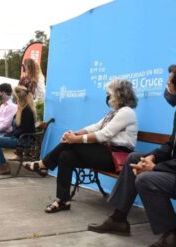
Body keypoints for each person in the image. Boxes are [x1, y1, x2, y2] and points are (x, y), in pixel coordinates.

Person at [88, 62, 176, 247]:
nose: (166, 88)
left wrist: (155, 168)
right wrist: (153, 158)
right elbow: (172, 145)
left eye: (169, 84)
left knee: (147, 179)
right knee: (134, 159)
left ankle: (175, 234)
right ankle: (119, 218)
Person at [24, 79, 138, 213]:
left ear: (119, 94)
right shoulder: (114, 113)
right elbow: (95, 127)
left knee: (73, 145)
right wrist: (75, 133)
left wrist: (75, 139)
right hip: (105, 153)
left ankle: (44, 164)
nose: (107, 96)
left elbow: (104, 134)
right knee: (66, 156)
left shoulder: (127, 112)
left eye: (109, 93)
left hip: (115, 158)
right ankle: (62, 200)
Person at [0, 86, 36, 175]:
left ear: (17, 97)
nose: (12, 98)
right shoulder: (22, 109)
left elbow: (24, 129)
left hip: (23, 140)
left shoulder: (27, 111)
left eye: (13, 96)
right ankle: (2, 165)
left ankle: (3, 167)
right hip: (18, 137)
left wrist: (10, 135)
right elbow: (19, 129)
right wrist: (10, 134)